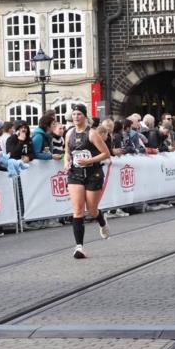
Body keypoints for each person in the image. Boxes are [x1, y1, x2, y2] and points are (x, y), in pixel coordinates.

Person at [64, 103, 111, 259]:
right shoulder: (69, 133)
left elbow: (106, 153)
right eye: (74, 114)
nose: (76, 117)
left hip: (92, 174)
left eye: (79, 114)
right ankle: (79, 247)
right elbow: (67, 153)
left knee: (91, 210)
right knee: (77, 210)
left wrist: (89, 160)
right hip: (75, 174)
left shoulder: (92, 134)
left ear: (85, 116)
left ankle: (101, 220)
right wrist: (66, 161)